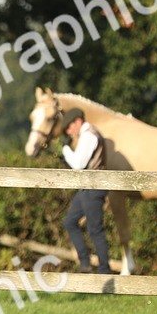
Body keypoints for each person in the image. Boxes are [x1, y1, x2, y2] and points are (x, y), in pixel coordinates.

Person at [58, 107, 113, 274]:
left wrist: (65, 149)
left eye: (69, 127)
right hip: (87, 187)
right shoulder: (87, 134)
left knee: (95, 229)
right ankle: (85, 262)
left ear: (78, 121)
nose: (69, 131)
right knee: (70, 222)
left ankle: (104, 270)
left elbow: (78, 164)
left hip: (94, 187)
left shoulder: (89, 135)